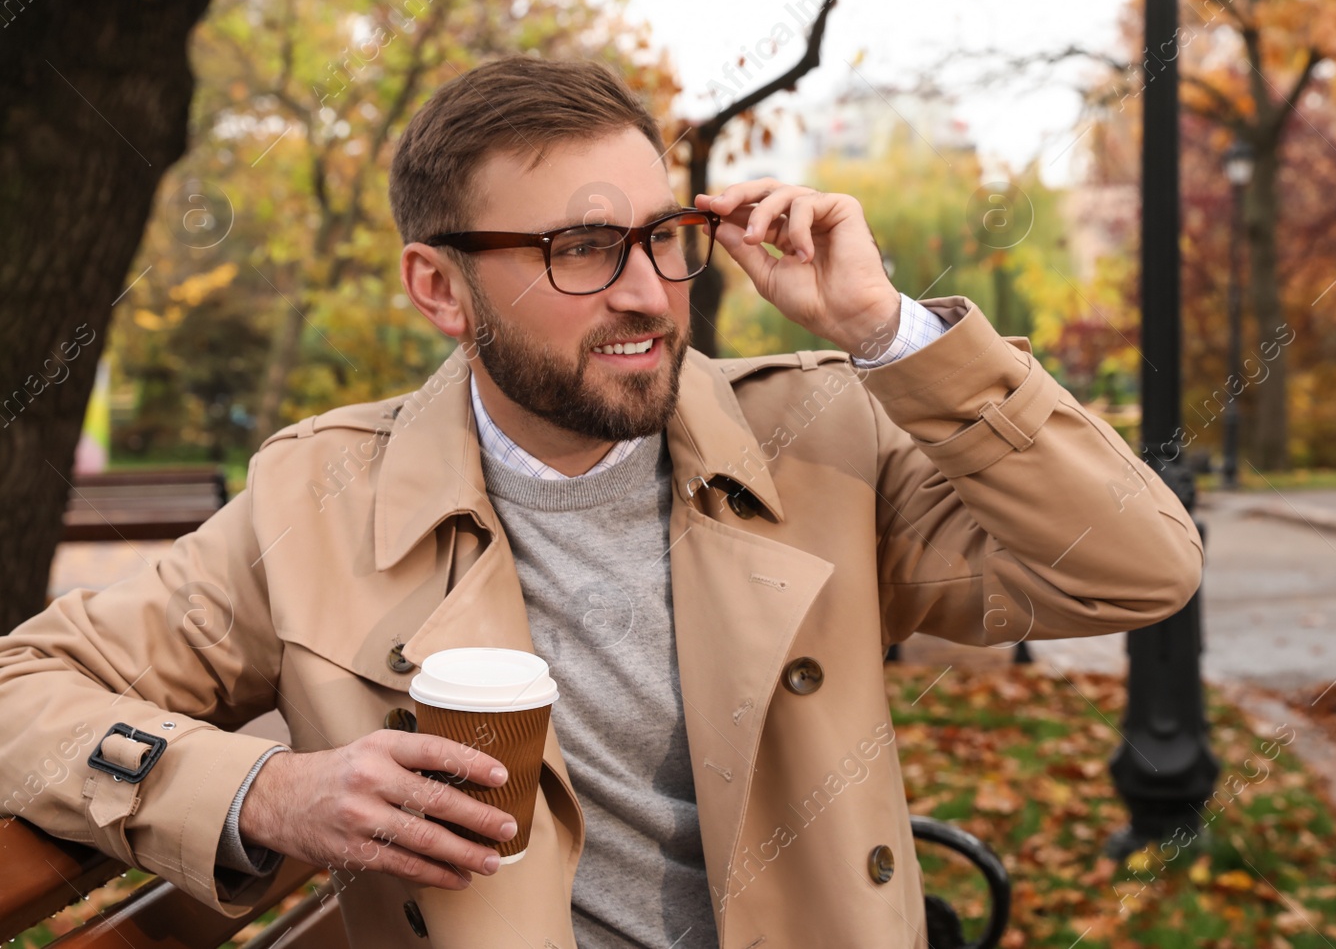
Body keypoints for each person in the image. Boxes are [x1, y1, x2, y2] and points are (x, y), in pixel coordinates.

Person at [0, 56, 1203, 949]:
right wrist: (264, 792)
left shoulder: (820, 440)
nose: (645, 294)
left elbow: (1138, 567)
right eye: (582, 247)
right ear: (439, 285)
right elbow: (19, 690)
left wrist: (887, 332)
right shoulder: (317, 500)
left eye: (661, 237)